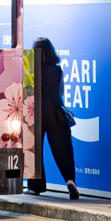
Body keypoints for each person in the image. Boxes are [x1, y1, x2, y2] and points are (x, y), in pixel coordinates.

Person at [30, 37, 79, 200]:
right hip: (56, 112)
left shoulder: (31, 70)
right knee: (63, 149)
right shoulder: (57, 70)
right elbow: (60, 92)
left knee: (35, 149)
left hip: (35, 113)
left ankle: (36, 186)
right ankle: (70, 180)